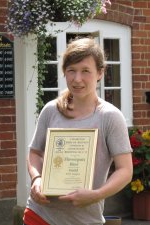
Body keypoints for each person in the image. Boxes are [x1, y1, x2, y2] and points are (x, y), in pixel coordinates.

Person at [23, 37, 133, 225]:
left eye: (85, 71)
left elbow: (125, 170)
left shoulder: (110, 117)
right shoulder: (51, 110)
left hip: (85, 220)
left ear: (100, 73)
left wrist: (96, 195)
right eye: (71, 71)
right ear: (64, 72)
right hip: (39, 215)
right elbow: (34, 153)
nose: (77, 79)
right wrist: (37, 179)